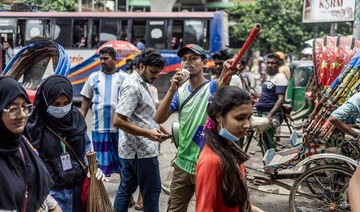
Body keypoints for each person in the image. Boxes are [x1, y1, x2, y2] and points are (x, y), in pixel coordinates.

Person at [154, 44, 238, 211]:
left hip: (207, 165)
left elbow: (222, 84)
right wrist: (172, 88)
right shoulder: (179, 91)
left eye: (193, 58)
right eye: (184, 59)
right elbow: (158, 117)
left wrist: (226, 72)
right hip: (182, 164)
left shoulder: (212, 87)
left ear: (205, 63)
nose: (188, 63)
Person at [26, 75, 104, 211]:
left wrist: (94, 169)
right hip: (51, 196)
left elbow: (85, 150)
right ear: (45, 101)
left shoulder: (76, 120)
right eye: (55, 104)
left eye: (66, 103)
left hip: (78, 192)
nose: (61, 109)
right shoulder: (34, 127)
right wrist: (47, 201)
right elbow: (30, 166)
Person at [113, 48, 168, 212]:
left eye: (158, 72)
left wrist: (161, 129)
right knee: (152, 191)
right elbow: (118, 120)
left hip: (134, 150)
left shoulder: (145, 85)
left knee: (126, 189)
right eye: (153, 71)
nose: (156, 76)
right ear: (142, 66)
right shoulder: (133, 86)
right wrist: (148, 133)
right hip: (141, 151)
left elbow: (147, 116)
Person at [196, 86, 263, 212]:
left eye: (248, 117)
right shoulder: (211, 161)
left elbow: (238, 203)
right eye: (240, 118)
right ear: (219, 117)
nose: (247, 125)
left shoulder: (229, 148)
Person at [0, 76, 56, 211]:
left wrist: (53, 206)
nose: (22, 115)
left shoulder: (21, 143)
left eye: (25, 107)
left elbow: (35, 183)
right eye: (13, 109)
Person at [81, 47, 128, 176]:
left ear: (115, 60)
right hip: (99, 129)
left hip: (120, 129)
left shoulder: (125, 78)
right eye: (101, 59)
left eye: (106, 59)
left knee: (123, 164)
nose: (102, 61)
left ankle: (125, 194)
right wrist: (81, 121)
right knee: (99, 167)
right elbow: (86, 99)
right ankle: (99, 194)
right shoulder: (93, 77)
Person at [255, 53, 288, 151]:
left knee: (267, 141)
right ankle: (267, 161)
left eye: (272, 63)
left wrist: (270, 115)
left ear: (278, 64)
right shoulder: (269, 77)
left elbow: (281, 99)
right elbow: (265, 95)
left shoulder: (280, 78)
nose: (269, 65)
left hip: (272, 114)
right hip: (262, 113)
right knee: (263, 141)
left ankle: (271, 162)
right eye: (268, 63)